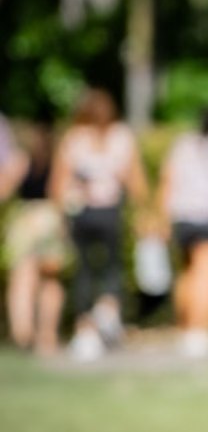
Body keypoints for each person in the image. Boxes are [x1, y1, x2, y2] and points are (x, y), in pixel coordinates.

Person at [49, 87, 149, 361]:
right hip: (109, 212)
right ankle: (108, 308)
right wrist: (143, 210)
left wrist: (60, 215)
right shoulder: (121, 137)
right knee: (112, 266)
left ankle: (86, 328)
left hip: (80, 212)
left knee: (84, 270)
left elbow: (58, 184)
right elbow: (135, 180)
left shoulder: (74, 138)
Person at [159, 109, 208, 358]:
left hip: (182, 216)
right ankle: (199, 331)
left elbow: (167, 181)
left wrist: (162, 216)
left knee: (186, 272)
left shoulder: (183, 144)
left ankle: (184, 329)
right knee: (207, 274)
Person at [3, 116, 68, 355]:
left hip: (26, 220)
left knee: (22, 278)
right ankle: (47, 335)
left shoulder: (21, 160)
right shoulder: (59, 159)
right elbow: (60, 192)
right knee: (50, 280)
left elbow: (4, 189)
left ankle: (23, 332)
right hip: (50, 218)